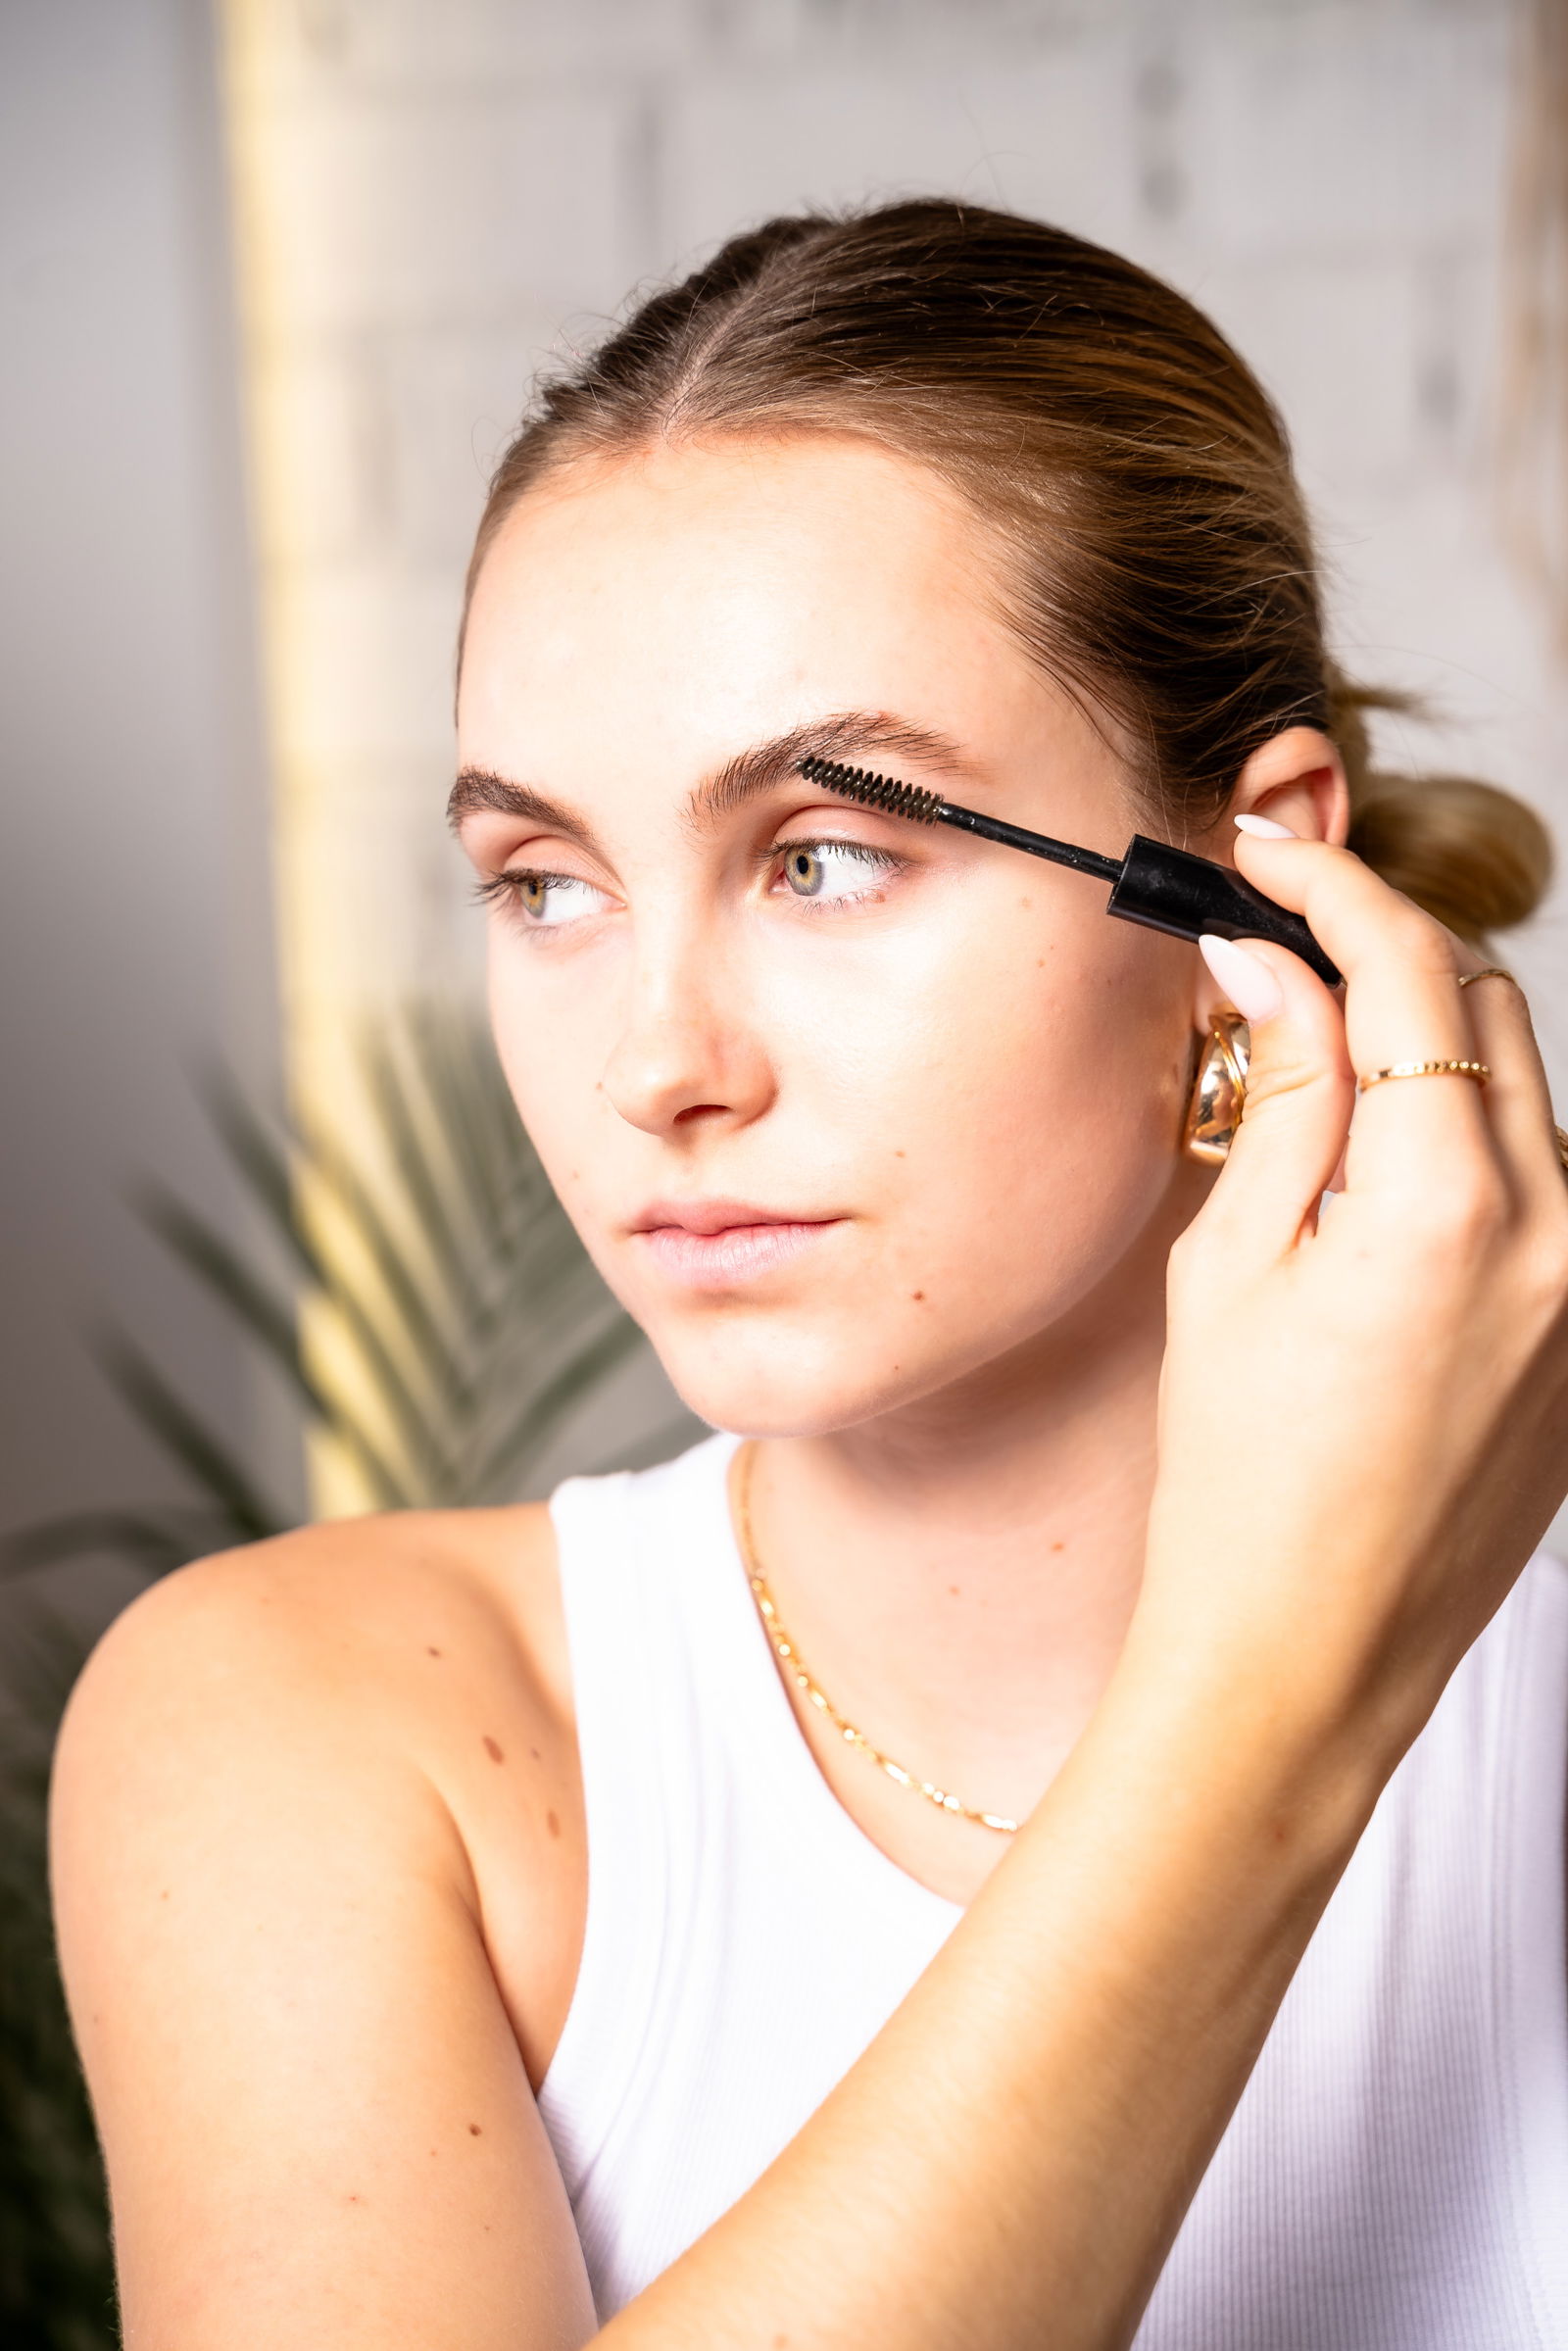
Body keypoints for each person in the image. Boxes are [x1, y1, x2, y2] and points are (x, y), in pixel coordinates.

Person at [50, 200, 1568, 2350]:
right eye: (544, 883)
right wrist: (1271, 1703)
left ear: (1254, 887)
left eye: (824, 857)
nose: (655, 1064)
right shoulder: (323, 1733)